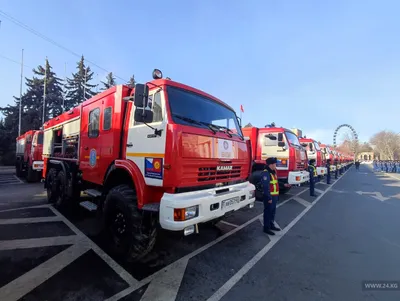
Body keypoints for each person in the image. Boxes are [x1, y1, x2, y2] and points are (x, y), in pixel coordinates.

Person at [260, 157, 285, 235]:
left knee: (273, 212)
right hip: (269, 197)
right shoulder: (266, 173)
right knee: (268, 212)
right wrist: (269, 198)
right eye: (274, 164)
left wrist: (284, 184)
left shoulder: (273, 172)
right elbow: (265, 186)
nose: (275, 165)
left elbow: (276, 182)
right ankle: (266, 228)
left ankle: (271, 225)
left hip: (274, 196)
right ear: (270, 164)